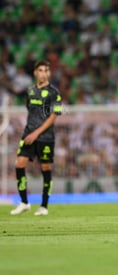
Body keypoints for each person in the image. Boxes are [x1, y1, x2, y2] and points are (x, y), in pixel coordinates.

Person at [10, 60, 63, 216]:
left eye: (46, 70)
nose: (43, 73)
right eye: (40, 70)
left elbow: (54, 117)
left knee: (45, 168)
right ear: (35, 73)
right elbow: (31, 112)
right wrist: (30, 132)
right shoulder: (30, 91)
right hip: (29, 134)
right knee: (19, 164)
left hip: (45, 137)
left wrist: (36, 133)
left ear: (49, 73)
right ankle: (24, 202)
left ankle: (44, 206)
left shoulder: (54, 93)